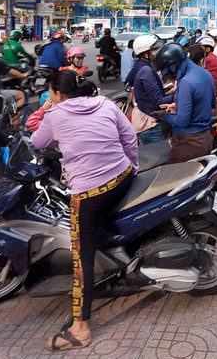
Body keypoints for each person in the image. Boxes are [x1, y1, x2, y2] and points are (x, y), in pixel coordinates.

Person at [30, 70, 138, 352]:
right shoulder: (105, 102)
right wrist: (132, 168)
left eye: (50, 93)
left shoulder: (54, 115)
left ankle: (80, 329)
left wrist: (45, 108)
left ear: (57, 93)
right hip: (123, 177)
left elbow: (37, 143)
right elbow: (129, 138)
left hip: (89, 193)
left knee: (82, 260)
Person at [156, 42, 216, 162]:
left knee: (173, 177)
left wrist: (166, 116)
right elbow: (211, 104)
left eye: (168, 72)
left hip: (188, 143)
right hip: (205, 138)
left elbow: (182, 121)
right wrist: (178, 106)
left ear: (174, 65)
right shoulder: (206, 74)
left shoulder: (185, 83)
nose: (169, 76)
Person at [125, 34, 173, 144]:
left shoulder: (142, 67)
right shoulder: (146, 71)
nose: (158, 52)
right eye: (155, 49)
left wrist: (168, 93)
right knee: (155, 158)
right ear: (146, 53)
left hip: (145, 114)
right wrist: (178, 96)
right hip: (150, 122)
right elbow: (159, 101)